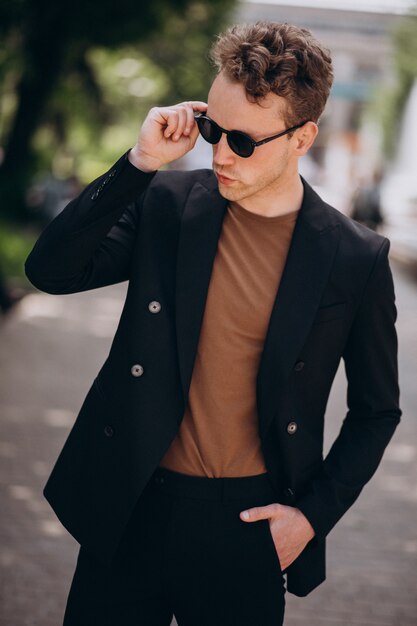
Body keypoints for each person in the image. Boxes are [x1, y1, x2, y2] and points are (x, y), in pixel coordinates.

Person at [24, 21, 401, 626]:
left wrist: (310, 517)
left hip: (246, 527)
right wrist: (139, 163)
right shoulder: (168, 205)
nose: (221, 154)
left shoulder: (355, 259)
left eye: (245, 142)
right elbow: (50, 270)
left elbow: (377, 411)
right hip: (132, 506)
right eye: (212, 130)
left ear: (303, 137)